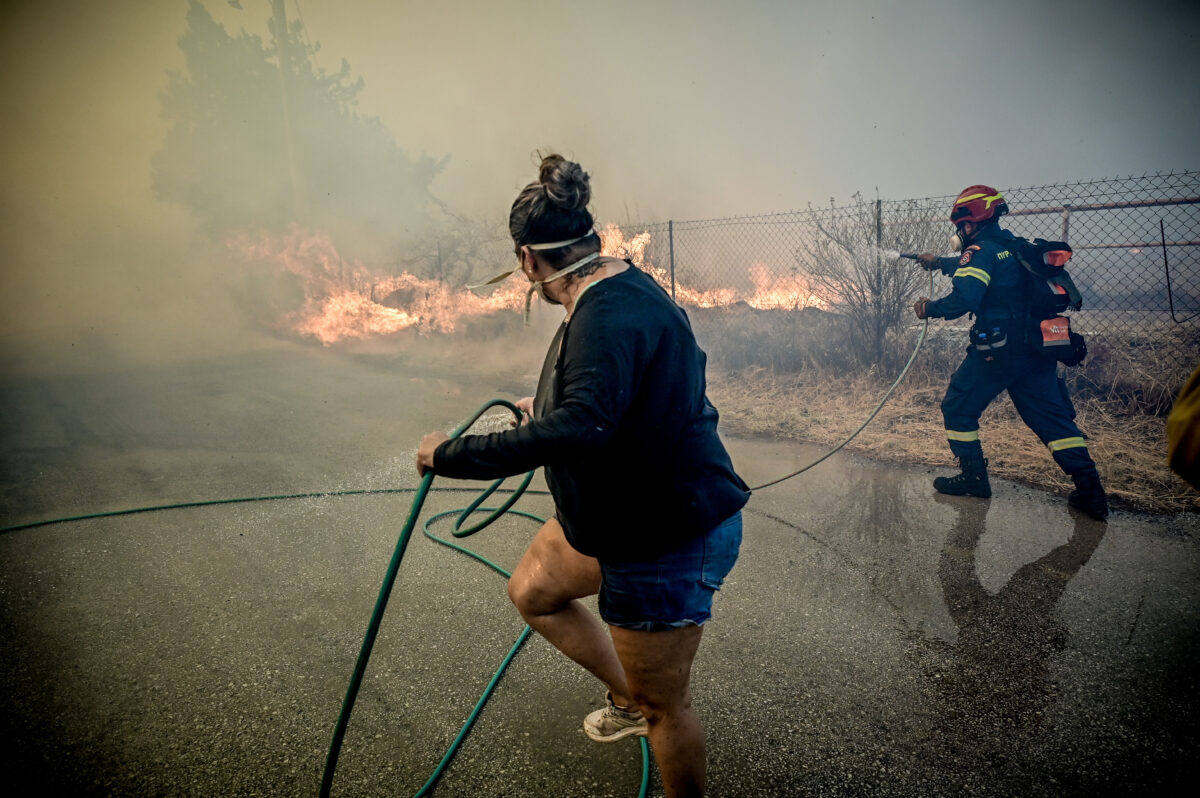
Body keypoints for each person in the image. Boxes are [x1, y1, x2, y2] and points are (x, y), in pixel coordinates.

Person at [416, 153, 750, 797]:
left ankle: (645, 712)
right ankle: (628, 700)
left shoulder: (607, 311)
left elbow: (582, 425)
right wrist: (542, 406)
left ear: (527, 261)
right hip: (610, 520)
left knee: (667, 709)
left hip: (664, 537)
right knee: (533, 592)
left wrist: (450, 455)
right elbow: (602, 397)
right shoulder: (611, 285)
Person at [912, 185, 1110, 520]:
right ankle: (1091, 491)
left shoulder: (979, 251)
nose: (960, 232)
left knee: (958, 407)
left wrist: (928, 308)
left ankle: (974, 478)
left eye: (961, 225)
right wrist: (940, 263)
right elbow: (990, 268)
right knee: (1050, 419)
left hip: (999, 351)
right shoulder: (1016, 247)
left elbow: (965, 299)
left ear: (969, 222)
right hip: (1037, 349)